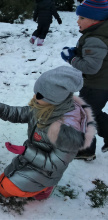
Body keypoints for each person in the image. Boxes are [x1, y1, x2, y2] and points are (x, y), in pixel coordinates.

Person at [0, 66, 96, 200]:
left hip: (48, 170)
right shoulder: (46, 107)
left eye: (39, 95)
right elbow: (20, 114)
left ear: (54, 98)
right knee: (3, 184)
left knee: (5, 188)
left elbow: (55, 164)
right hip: (33, 156)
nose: (34, 97)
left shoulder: (68, 131)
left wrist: (25, 151)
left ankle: (46, 187)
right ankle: (33, 185)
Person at [61, 0, 108, 160]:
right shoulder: (101, 33)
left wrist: (71, 59)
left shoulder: (95, 38)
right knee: (91, 112)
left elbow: (90, 67)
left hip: (96, 85)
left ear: (95, 19)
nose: (77, 21)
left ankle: (86, 150)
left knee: (85, 115)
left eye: (82, 18)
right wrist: (79, 52)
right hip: (102, 83)